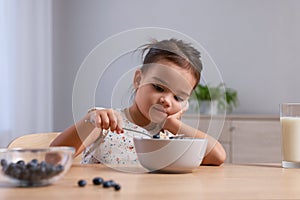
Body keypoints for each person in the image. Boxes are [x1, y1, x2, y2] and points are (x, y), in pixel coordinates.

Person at [50, 38, 226, 166]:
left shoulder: (171, 138)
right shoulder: (106, 122)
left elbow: (217, 156)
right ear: (138, 80)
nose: (166, 100)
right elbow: (53, 158)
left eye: (178, 98)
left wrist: (172, 124)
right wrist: (90, 121)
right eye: (158, 87)